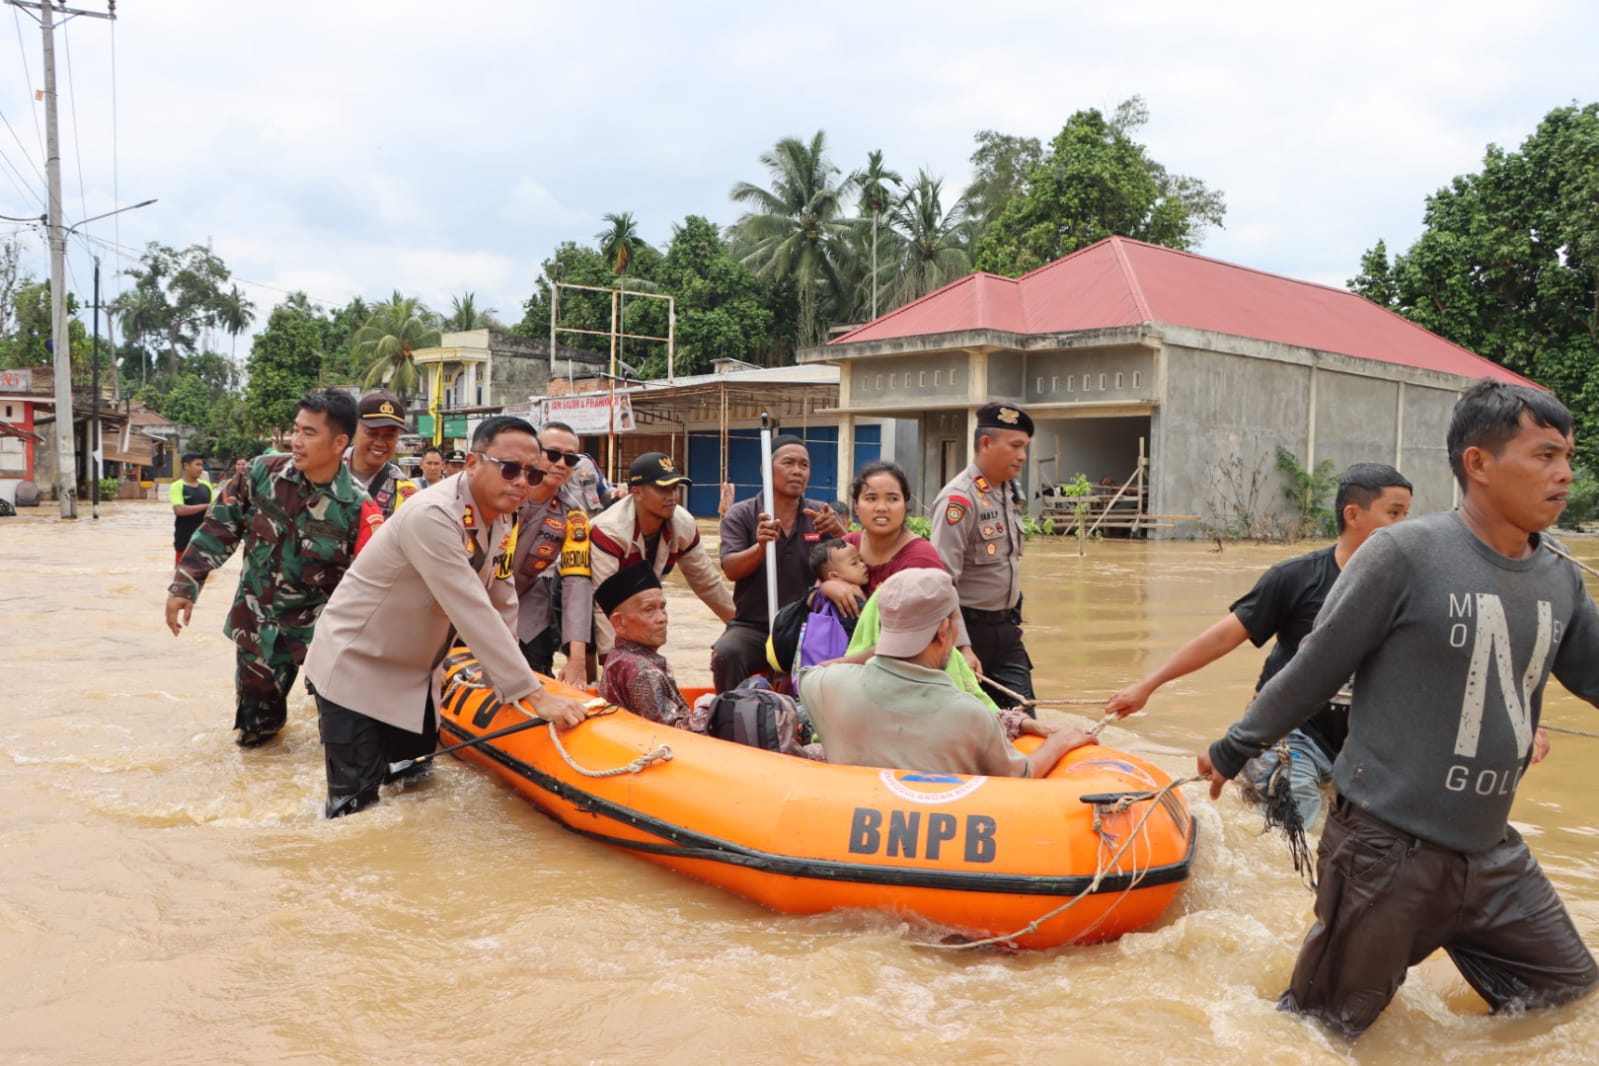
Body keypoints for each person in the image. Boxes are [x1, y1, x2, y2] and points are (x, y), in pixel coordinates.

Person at [1199, 379, 1599, 1040]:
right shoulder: (1402, 556)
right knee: (1317, 1033)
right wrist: (1232, 747)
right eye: (1544, 456)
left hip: (1491, 855)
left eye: (1568, 459)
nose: (1564, 475)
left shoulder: (1558, 575)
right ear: (1477, 463)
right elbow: (1315, 667)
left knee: (1563, 995)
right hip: (1387, 854)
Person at [303, 415, 590, 818]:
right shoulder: (433, 516)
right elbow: (470, 608)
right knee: (355, 811)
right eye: (509, 468)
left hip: (416, 676)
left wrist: (513, 683)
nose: (522, 481)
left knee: (416, 790)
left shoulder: (501, 515)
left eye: (532, 472)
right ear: (473, 462)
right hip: (357, 671)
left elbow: (502, 597)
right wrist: (532, 695)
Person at [1103, 463, 1415, 827]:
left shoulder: (1407, 590)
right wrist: (1147, 685)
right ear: (1353, 514)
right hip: (1291, 734)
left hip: (1359, 743)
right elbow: (1221, 638)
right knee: (1300, 833)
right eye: (1394, 514)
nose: (1405, 526)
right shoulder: (1297, 578)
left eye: (1408, 514)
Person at [165, 390, 383, 748]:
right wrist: (184, 586)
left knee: (338, 737)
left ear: (339, 442)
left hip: (320, 638)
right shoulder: (260, 475)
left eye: (309, 433)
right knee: (256, 738)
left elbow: (367, 588)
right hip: (259, 629)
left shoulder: (357, 507)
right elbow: (219, 530)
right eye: (295, 430)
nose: (295, 441)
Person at [798, 569, 1095, 776]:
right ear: (944, 631)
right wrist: (1060, 741)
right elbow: (1022, 775)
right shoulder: (970, 714)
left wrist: (880, 647)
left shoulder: (826, 687)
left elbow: (811, 672)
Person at [712, 435, 846, 691]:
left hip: (809, 625)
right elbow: (731, 569)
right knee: (726, 653)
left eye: (804, 465)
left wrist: (841, 534)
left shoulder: (821, 515)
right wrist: (761, 547)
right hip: (755, 626)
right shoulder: (741, 514)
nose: (797, 471)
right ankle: (728, 719)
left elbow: (854, 567)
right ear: (765, 469)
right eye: (788, 463)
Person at [929, 402, 1035, 707]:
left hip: (1007, 631)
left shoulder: (1008, 493)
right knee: (969, 722)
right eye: (1015, 446)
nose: (1022, 456)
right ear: (986, 443)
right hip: (967, 633)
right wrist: (962, 646)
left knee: (1024, 717)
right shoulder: (959, 499)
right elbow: (942, 580)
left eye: (1025, 447)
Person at [588, 451, 735, 664]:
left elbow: (707, 584)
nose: (672, 496)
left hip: (630, 601)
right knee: (588, 665)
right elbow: (602, 605)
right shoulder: (610, 530)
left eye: (674, 488)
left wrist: (739, 626)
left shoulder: (683, 524)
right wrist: (612, 663)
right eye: (662, 488)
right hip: (579, 594)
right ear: (636, 492)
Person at [509, 421, 597, 688]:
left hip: (525, 600)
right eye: (553, 454)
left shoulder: (573, 515)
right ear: (534, 452)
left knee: (537, 664)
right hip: (474, 596)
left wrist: (577, 660)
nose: (561, 464)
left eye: (570, 459)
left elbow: (577, 583)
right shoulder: (503, 492)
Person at [596, 562, 712, 731]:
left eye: (662, 608)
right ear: (619, 622)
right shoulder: (643, 672)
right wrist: (710, 711)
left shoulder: (617, 657)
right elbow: (673, 732)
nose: (662, 618)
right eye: (649, 610)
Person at [768, 538, 866, 678]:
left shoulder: (820, 598)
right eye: (854, 563)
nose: (863, 565)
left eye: (861, 560)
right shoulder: (849, 599)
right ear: (834, 576)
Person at [345, 389, 419, 517]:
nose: (380, 442)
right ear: (354, 429)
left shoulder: (402, 490)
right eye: (372, 433)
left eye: (389, 436)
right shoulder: (325, 468)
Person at [169, 451, 213, 565]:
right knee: (182, 575)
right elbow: (179, 510)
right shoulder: (177, 486)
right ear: (186, 466)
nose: (201, 468)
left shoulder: (207, 486)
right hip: (184, 539)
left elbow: (213, 511)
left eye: (202, 465)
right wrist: (205, 506)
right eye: (197, 464)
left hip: (205, 540)